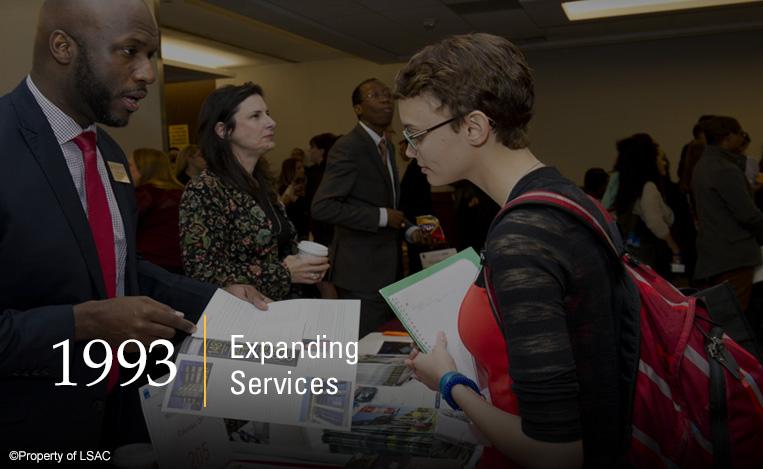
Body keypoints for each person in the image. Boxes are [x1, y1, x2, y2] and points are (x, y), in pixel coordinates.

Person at [0, 0, 266, 451]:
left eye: (152, 56)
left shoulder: (110, 153)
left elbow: (122, 269)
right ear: (62, 47)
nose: (147, 74)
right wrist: (82, 323)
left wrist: (219, 300)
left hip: (123, 417)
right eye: (129, 52)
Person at [396, 33, 638, 467]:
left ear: (473, 127)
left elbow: (556, 453)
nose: (411, 152)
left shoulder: (523, 236)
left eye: (416, 135)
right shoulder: (566, 197)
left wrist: (450, 382)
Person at [180, 82, 330, 301]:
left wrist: (305, 263)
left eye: (267, 114)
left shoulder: (263, 185)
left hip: (283, 310)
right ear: (223, 130)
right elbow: (203, 274)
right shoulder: (204, 189)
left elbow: (277, 247)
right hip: (243, 322)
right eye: (255, 116)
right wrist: (285, 273)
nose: (271, 123)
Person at [311, 78, 424, 336]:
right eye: (375, 95)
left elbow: (382, 203)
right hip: (360, 272)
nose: (386, 99)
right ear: (358, 108)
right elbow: (323, 207)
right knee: (366, 351)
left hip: (387, 268)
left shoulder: (385, 146)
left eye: (387, 94)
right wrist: (382, 217)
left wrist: (409, 229)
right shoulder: (349, 146)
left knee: (384, 343)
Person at [692, 116, 763, 312]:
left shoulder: (703, 165)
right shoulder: (724, 169)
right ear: (728, 137)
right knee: (733, 318)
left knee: (722, 314)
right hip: (734, 255)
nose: (742, 139)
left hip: (715, 252)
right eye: (740, 134)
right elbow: (747, 214)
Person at [613, 133, 681, 277]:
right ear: (649, 161)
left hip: (635, 255)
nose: (663, 162)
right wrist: (674, 247)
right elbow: (655, 223)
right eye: (659, 157)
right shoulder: (648, 187)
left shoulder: (627, 188)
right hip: (653, 256)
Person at [133, 148, 185, 273]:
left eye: (130, 165)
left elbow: (126, 223)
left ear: (143, 169)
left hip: (151, 262)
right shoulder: (181, 191)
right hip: (181, 260)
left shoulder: (145, 193)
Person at [278, 157, 310, 239]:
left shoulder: (303, 185)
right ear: (290, 170)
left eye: (302, 167)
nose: (303, 170)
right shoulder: (284, 188)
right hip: (292, 233)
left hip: (303, 231)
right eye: (299, 168)